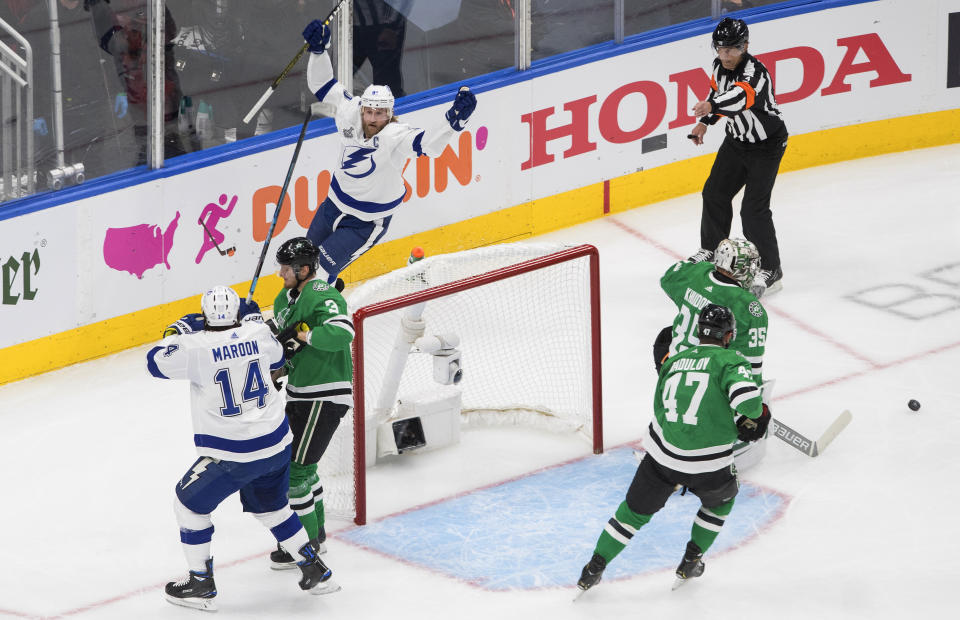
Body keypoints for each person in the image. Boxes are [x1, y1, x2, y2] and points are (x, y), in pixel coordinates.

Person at [146, 285, 339, 612]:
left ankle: (200, 584)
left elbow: (154, 362)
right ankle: (315, 570)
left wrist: (178, 330)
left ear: (205, 314)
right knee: (273, 509)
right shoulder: (259, 333)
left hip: (234, 454)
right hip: (277, 444)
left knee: (188, 505)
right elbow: (277, 355)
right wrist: (253, 323)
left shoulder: (195, 346)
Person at [577, 304, 770, 595]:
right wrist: (759, 412)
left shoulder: (674, 360)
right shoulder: (732, 362)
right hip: (708, 465)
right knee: (720, 503)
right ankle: (691, 561)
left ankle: (593, 568)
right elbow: (749, 406)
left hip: (661, 456)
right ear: (728, 336)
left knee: (631, 515)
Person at [302, 18, 477, 283]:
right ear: (362, 109)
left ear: (389, 114)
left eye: (380, 113)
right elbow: (322, 84)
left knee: (319, 275)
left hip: (365, 222)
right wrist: (318, 50)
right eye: (369, 111)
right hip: (332, 206)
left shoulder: (395, 136)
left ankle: (318, 319)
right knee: (302, 263)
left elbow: (428, 146)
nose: (373, 118)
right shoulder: (350, 111)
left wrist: (454, 122)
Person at [266, 236, 355, 568]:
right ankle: (315, 539)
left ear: (304, 269)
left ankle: (305, 547)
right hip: (300, 393)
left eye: (286, 268)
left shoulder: (321, 294)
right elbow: (292, 350)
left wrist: (307, 335)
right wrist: (280, 371)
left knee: (295, 472)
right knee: (305, 469)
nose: (280, 274)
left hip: (325, 394)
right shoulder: (283, 299)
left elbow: (343, 332)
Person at [687, 17, 787, 298]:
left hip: (767, 146)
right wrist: (705, 122)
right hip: (736, 142)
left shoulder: (755, 72)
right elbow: (717, 94)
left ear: (745, 46)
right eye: (720, 49)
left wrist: (711, 105)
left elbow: (738, 97)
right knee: (714, 194)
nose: (725, 55)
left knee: (753, 210)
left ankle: (771, 268)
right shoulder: (718, 66)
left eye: (731, 49)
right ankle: (711, 250)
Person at [654, 238, 770, 470]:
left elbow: (668, 277)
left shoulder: (697, 273)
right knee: (732, 368)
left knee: (665, 337)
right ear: (740, 267)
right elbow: (751, 366)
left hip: (672, 369)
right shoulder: (748, 307)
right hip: (710, 378)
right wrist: (753, 409)